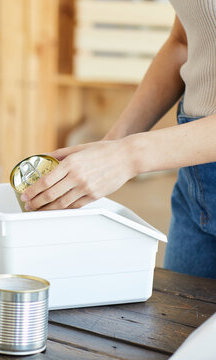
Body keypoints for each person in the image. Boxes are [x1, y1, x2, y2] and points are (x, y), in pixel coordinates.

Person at [20, 2, 216, 279]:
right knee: (183, 318)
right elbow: (184, 42)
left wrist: (127, 156)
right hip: (197, 182)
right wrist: (110, 146)